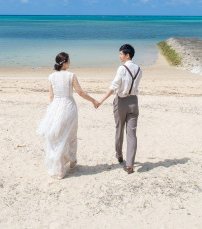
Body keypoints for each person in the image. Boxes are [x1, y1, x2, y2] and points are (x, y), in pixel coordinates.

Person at [36, 52, 97, 179]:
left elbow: (51, 97)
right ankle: (72, 160)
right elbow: (80, 92)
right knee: (71, 134)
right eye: (69, 60)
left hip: (56, 107)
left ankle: (60, 169)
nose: (70, 62)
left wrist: (52, 111)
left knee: (57, 136)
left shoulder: (51, 77)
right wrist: (93, 100)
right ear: (64, 62)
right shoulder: (71, 76)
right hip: (69, 106)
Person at [95, 43, 142, 174]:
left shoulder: (122, 69)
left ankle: (119, 155)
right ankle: (130, 165)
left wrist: (101, 100)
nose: (119, 56)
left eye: (121, 54)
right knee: (132, 134)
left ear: (127, 55)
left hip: (121, 102)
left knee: (119, 129)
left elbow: (114, 86)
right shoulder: (139, 69)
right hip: (134, 101)